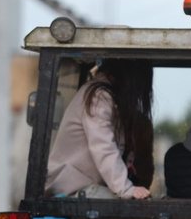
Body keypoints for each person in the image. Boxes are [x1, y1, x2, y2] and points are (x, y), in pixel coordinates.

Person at [46, 60, 154, 200]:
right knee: (129, 208)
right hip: (70, 186)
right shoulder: (98, 96)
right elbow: (102, 146)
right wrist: (126, 188)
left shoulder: (108, 98)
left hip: (84, 184)